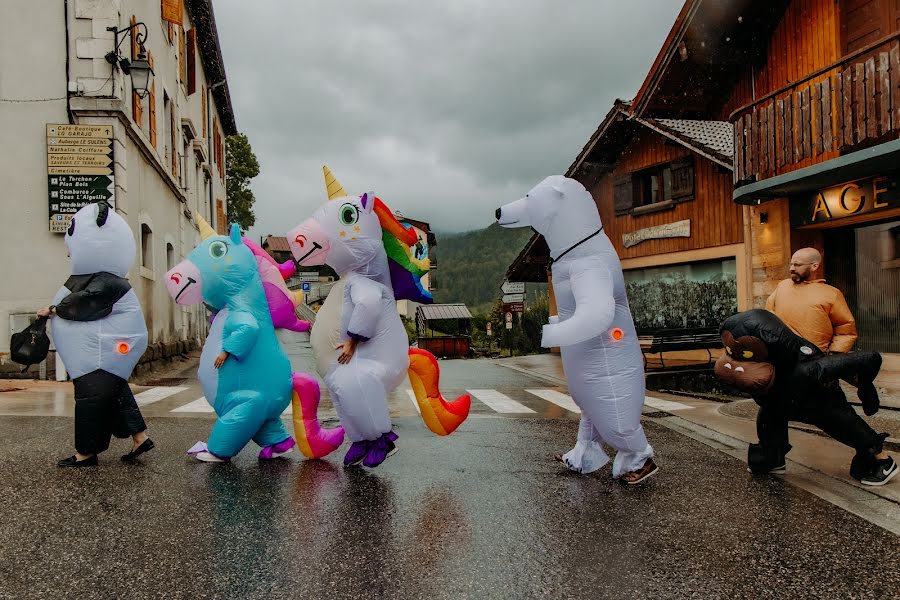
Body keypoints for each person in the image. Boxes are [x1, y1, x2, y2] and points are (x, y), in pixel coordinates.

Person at [760, 247, 896, 486]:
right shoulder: (781, 288)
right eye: (791, 263)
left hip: (817, 369)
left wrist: (833, 362)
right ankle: (772, 458)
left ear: (814, 266)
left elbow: (846, 331)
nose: (792, 268)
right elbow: (767, 320)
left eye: (798, 264)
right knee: (771, 411)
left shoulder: (830, 294)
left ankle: (880, 460)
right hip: (784, 366)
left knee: (834, 415)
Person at [39, 201, 153, 467]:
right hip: (101, 351)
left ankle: (86, 452)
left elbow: (85, 304)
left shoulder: (108, 281)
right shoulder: (103, 277)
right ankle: (139, 437)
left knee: (92, 396)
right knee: (112, 389)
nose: (68, 253)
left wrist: (54, 309)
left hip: (104, 350)